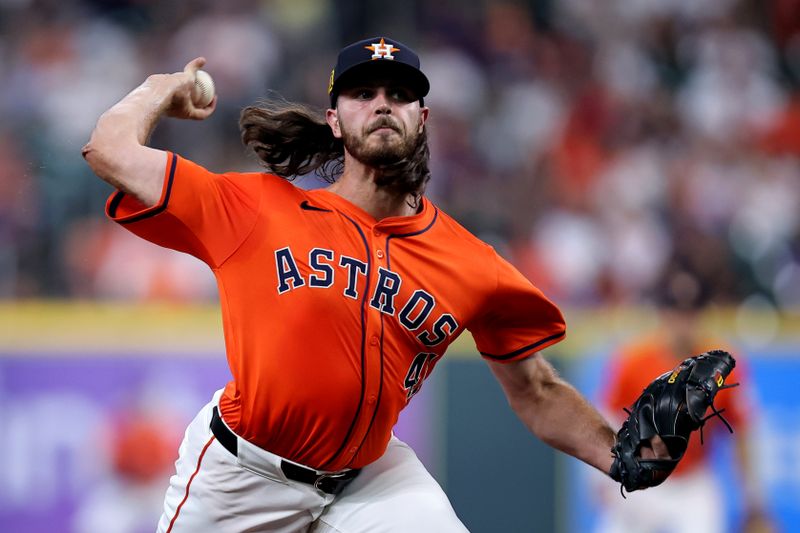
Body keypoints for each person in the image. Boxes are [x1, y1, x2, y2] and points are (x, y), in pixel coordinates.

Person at [82, 36, 670, 532]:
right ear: (335, 121)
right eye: (363, 93)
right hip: (243, 476)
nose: (383, 104)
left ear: (423, 118)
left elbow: (537, 392)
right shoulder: (254, 208)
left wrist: (621, 455)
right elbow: (108, 149)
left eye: (400, 94)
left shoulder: (472, 263)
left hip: (370, 480)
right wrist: (162, 87)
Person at [595, 268, 775, 533]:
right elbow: (606, 421)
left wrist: (754, 501)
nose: (683, 319)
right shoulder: (634, 361)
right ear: (662, 312)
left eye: (691, 309)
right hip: (641, 479)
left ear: (702, 313)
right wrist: (603, 481)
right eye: (675, 309)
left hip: (693, 485)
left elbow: (743, 431)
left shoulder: (724, 366)